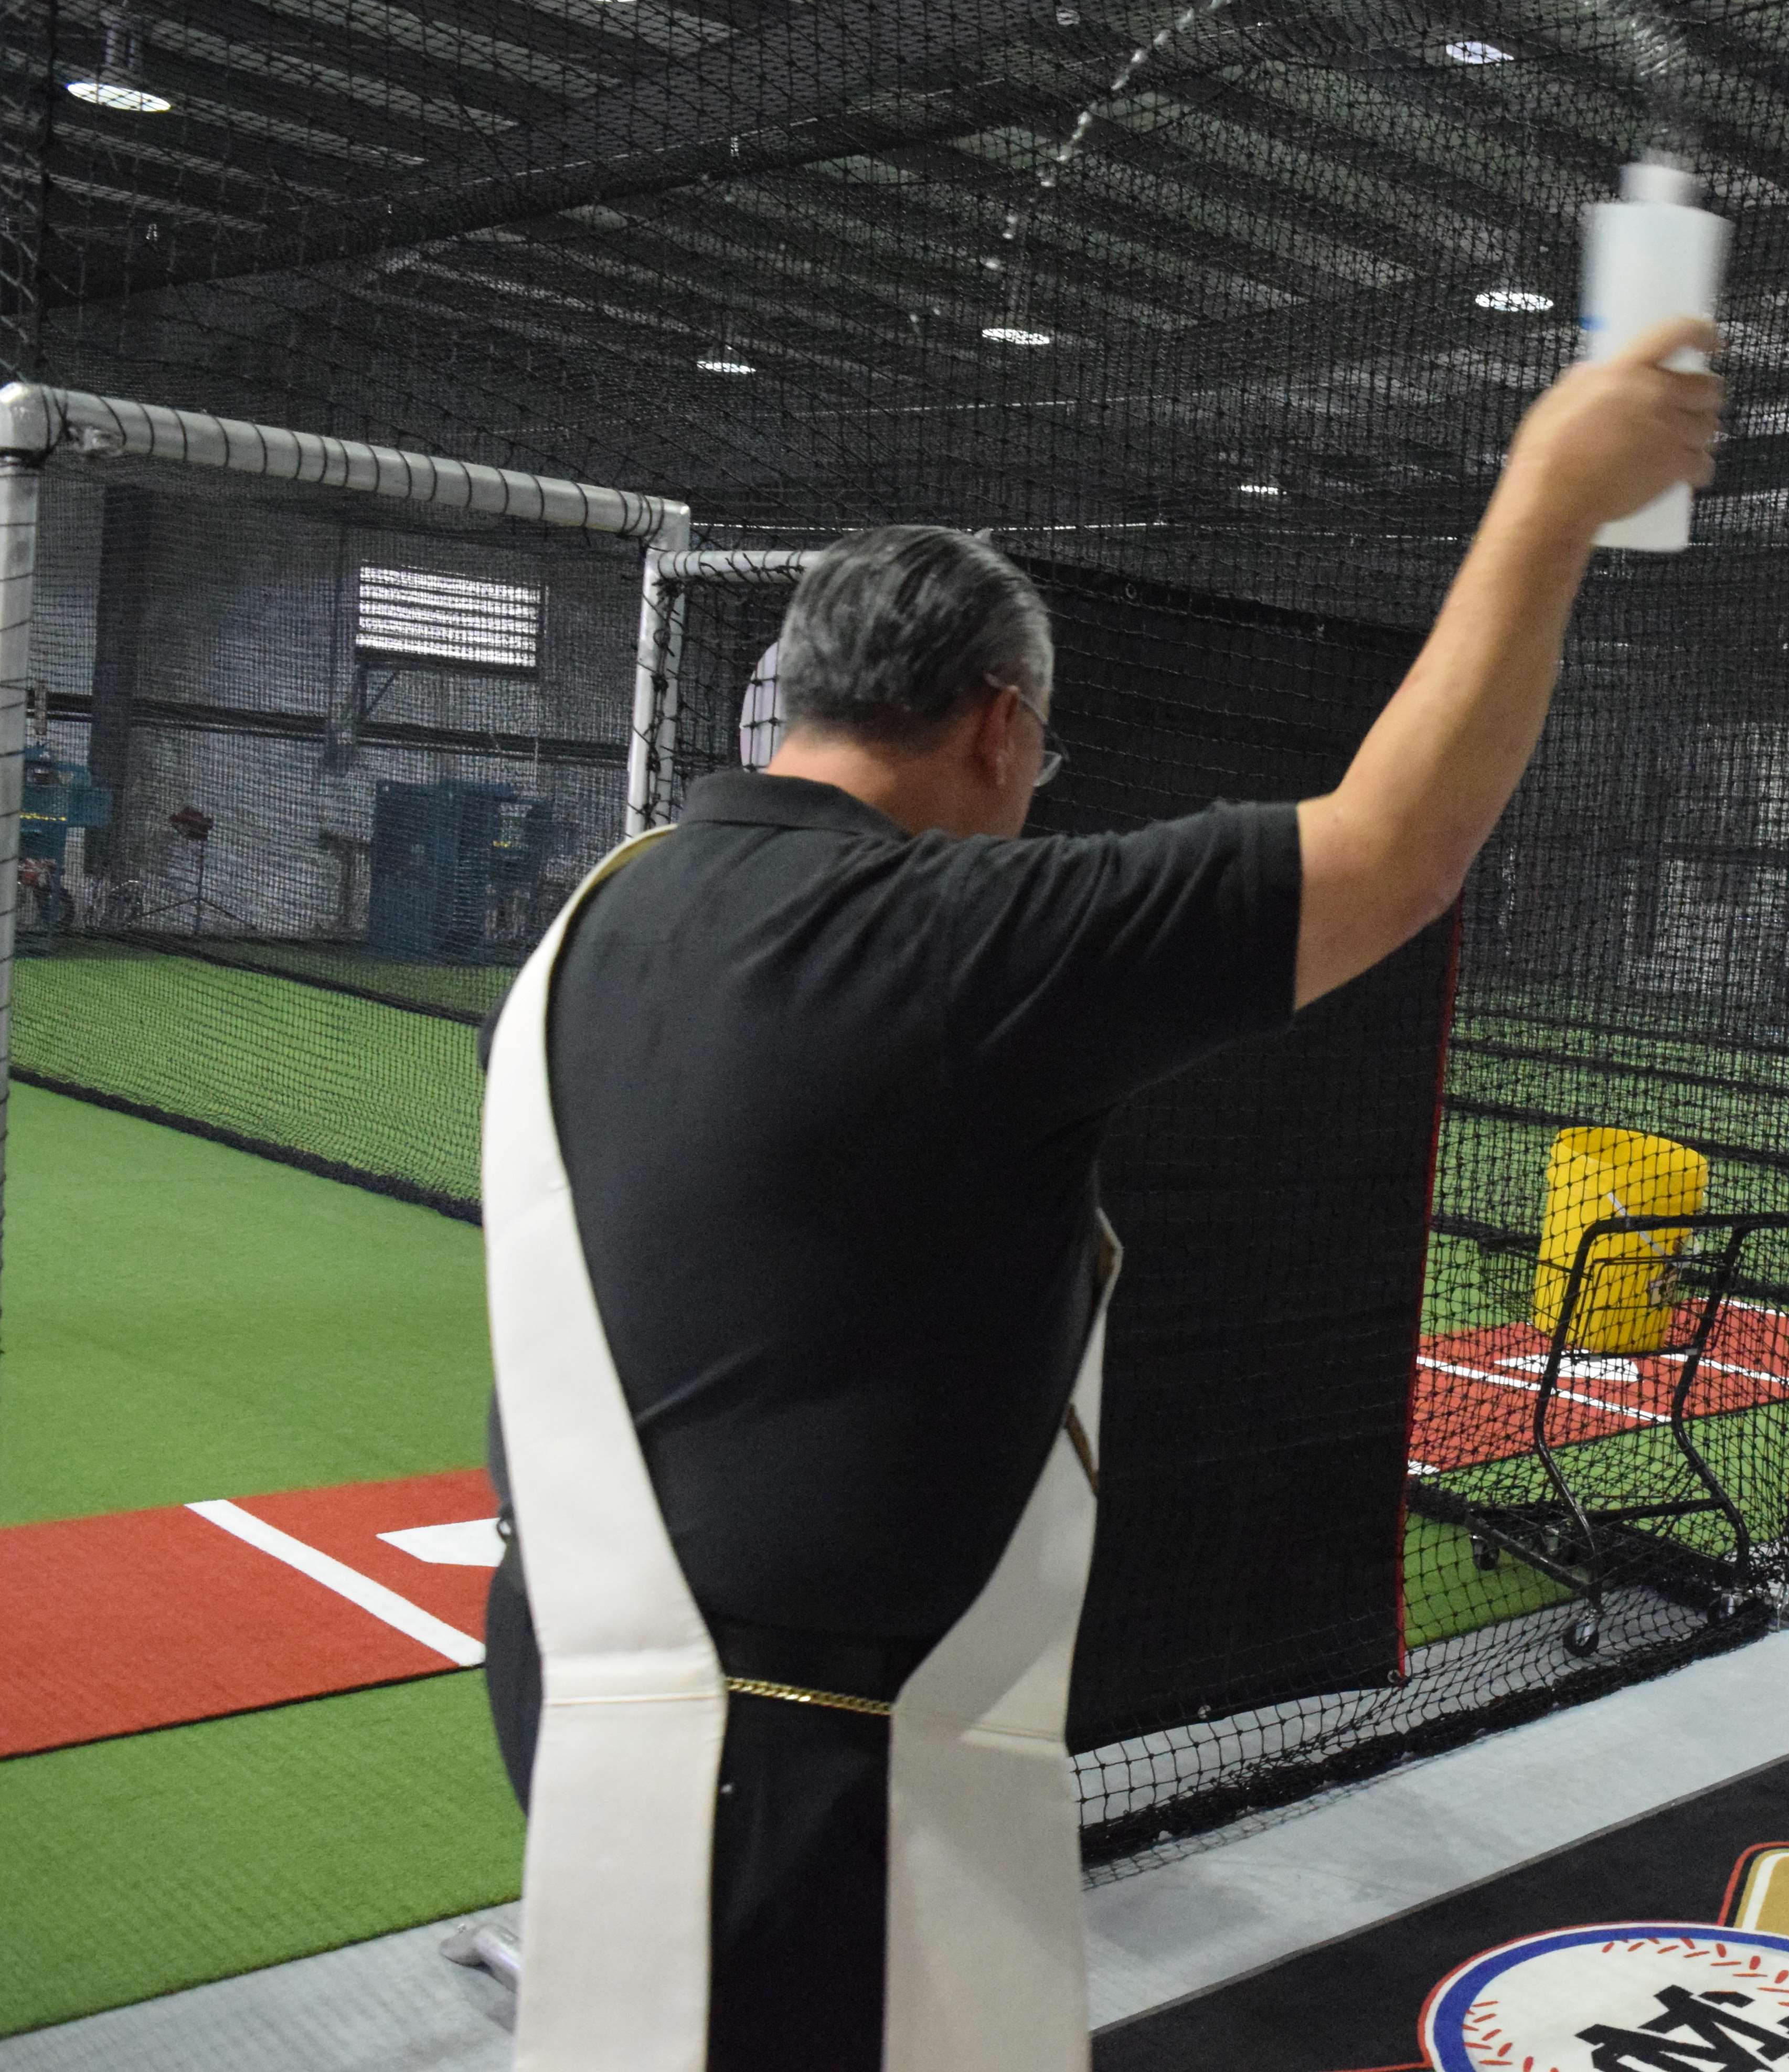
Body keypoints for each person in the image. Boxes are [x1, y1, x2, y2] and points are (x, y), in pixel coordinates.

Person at [477, 317, 1722, 2072]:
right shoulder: (933, 942)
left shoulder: (600, 914)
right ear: (998, 727)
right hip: (793, 1760)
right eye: (1039, 760)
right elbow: (1398, 844)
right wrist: (1555, 493)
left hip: (588, 1685)